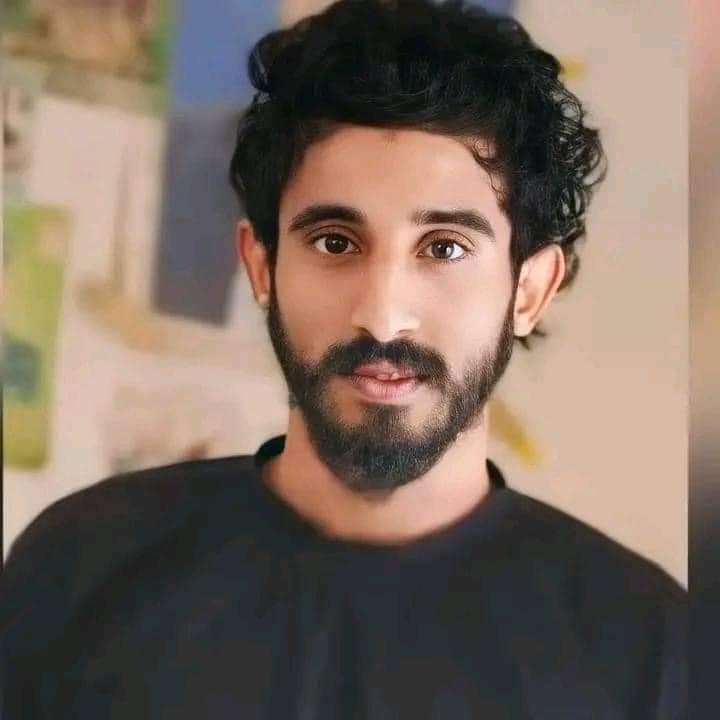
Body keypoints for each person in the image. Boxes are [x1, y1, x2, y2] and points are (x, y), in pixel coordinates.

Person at [0, 1, 686, 717]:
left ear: (531, 290)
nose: (382, 315)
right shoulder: (80, 566)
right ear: (261, 267)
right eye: (335, 242)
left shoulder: (651, 652)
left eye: (444, 248)